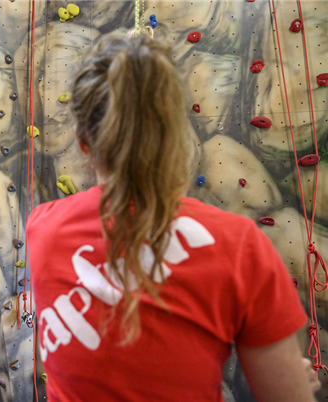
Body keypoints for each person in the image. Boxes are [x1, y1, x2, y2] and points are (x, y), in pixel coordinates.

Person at [26, 33, 321, 402]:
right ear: (175, 134)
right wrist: (293, 381)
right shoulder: (238, 246)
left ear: (82, 141)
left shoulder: (42, 229)